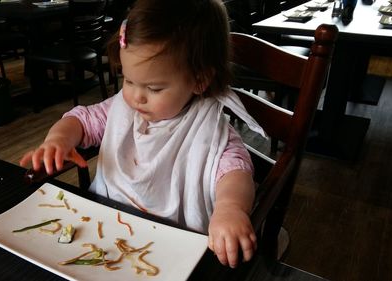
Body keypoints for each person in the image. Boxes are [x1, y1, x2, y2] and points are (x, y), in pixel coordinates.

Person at [21, 0, 258, 268]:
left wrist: (230, 208)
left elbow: (235, 171)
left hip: (170, 245)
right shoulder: (122, 108)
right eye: (129, 79)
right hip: (105, 228)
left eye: (154, 88)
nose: (135, 96)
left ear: (199, 80)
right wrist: (58, 140)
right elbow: (82, 120)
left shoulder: (206, 128)